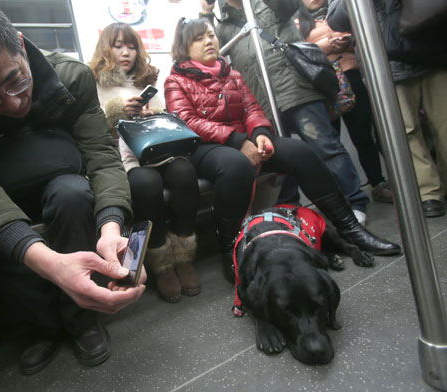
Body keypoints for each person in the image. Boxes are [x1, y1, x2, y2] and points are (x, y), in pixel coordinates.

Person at [0, 0, 144, 373]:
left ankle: (82, 317)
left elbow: (101, 154)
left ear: (21, 45)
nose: (13, 102)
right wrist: (50, 264)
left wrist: (111, 226)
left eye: (15, 79)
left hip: (59, 180)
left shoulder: (70, 76)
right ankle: (43, 322)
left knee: (73, 194)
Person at [164, 17, 400, 282]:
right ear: (184, 47)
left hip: (244, 139)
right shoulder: (175, 81)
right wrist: (238, 141)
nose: (209, 41)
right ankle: (231, 249)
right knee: (235, 165)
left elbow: (252, 109)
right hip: (206, 148)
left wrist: (261, 134)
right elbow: (188, 122)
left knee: (300, 152)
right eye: (199, 38)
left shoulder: (232, 74)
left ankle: (349, 228)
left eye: (210, 35)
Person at [200, 0, 371, 225]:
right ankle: (292, 213)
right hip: (261, 99)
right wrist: (206, 12)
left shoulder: (265, 5)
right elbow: (208, 51)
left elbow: (288, 5)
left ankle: (354, 203)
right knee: (278, 157)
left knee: (325, 146)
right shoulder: (222, 25)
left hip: (295, 88)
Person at [89, 23, 200, 303]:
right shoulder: (94, 82)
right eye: (118, 46)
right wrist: (117, 111)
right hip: (120, 157)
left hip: (154, 150)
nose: (126, 52)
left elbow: (165, 119)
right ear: (106, 48)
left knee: (184, 171)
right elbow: (90, 128)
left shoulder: (146, 81)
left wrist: (151, 114)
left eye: (131, 46)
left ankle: (183, 253)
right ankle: (161, 262)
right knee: (145, 184)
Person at [327, 0, 447, 218]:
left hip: (431, 47)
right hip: (387, 61)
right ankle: (428, 191)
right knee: (406, 130)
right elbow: (337, 19)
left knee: (444, 122)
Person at [295, 0, 393, 204]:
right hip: (323, 85)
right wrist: (324, 45)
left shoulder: (338, 12)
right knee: (330, 142)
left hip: (352, 75)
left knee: (364, 134)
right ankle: (341, 195)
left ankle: (378, 183)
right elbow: (295, 51)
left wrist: (347, 41)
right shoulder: (297, 23)